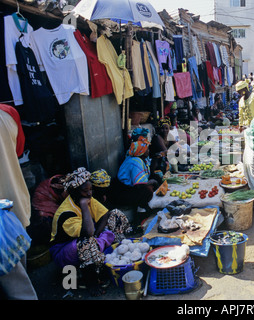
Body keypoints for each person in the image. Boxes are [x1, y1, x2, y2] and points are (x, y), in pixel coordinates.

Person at [49, 167, 132, 296]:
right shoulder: (66, 213)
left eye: (90, 189)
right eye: (85, 191)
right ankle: (91, 281)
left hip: (88, 236)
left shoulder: (87, 198)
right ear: (75, 192)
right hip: (64, 251)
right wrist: (83, 206)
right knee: (87, 243)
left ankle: (115, 258)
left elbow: (105, 215)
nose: (89, 194)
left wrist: (98, 234)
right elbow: (87, 232)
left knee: (115, 214)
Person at [0, 104, 38, 300]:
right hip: (15, 206)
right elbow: (18, 149)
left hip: (2, 225)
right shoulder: (7, 113)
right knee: (19, 279)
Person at [114, 137, 159, 212]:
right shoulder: (135, 161)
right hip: (124, 191)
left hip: (128, 187)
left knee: (156, 177)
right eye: (147, 149)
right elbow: (140, 184)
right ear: (141, 151)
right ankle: (142, 209)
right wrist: (153, 182)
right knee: (147, 190)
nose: (148, 150)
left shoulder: (140, 159)